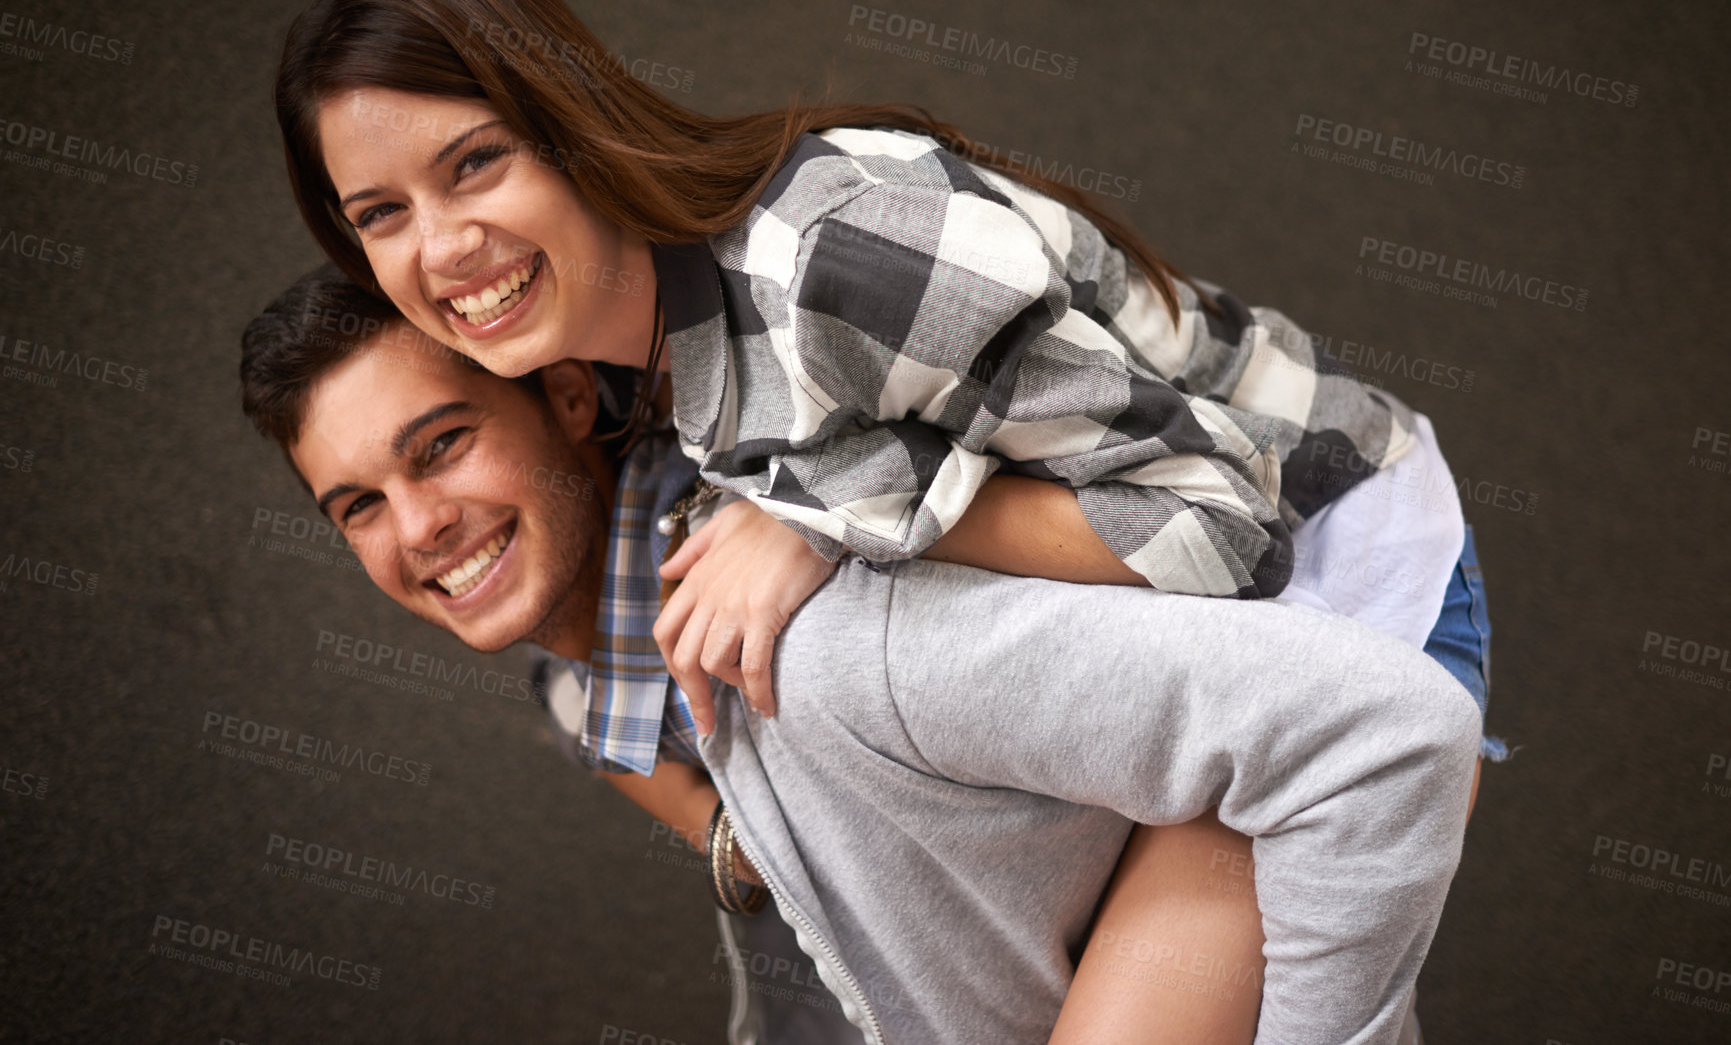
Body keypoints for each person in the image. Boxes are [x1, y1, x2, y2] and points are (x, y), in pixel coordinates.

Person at [240, 269, 1483, 1044]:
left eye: (442, 445)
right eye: (356, 505)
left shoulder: (826, 630)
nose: (418, 528)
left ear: (568, 398)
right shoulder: (586, 687)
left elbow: (1379, 730)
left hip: (1335, 537)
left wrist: (817, 525)